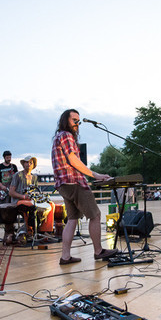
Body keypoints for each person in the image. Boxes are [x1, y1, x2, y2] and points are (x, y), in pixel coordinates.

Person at [51, 109, 117, 265]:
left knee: (72, 219)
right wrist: (96, 175)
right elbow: (73, 160)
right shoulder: (66, 136)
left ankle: (65, 257)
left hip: (63, 185)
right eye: (74, 120)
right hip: (74, 182)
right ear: (65, 121)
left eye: (78, 121)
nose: (77, 123)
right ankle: (98, 251)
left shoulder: (57, 137)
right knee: (95, 216)